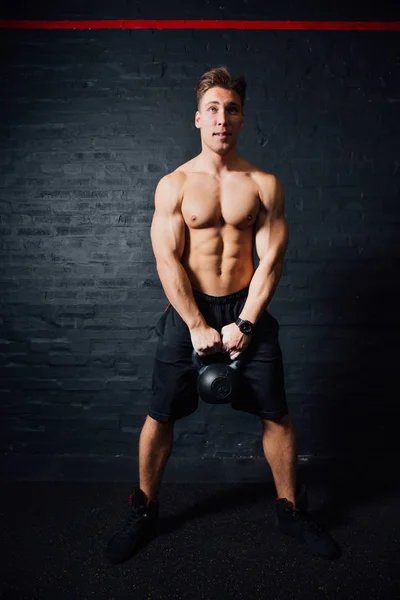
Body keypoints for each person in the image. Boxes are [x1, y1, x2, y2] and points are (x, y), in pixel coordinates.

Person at [105, 67, 340, 564]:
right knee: (160, 415)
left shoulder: (263, 184)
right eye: (212, 109)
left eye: (231, 109)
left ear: (241, 118)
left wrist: (247, 323)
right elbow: (166, 260)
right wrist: (195, 324)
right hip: (187, 308)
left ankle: (290, 510)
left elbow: (271, 259)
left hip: (246, 306)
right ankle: (144, 511)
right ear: (197, 118)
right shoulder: (174, 185)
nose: (222, 119)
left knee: (276, 415)